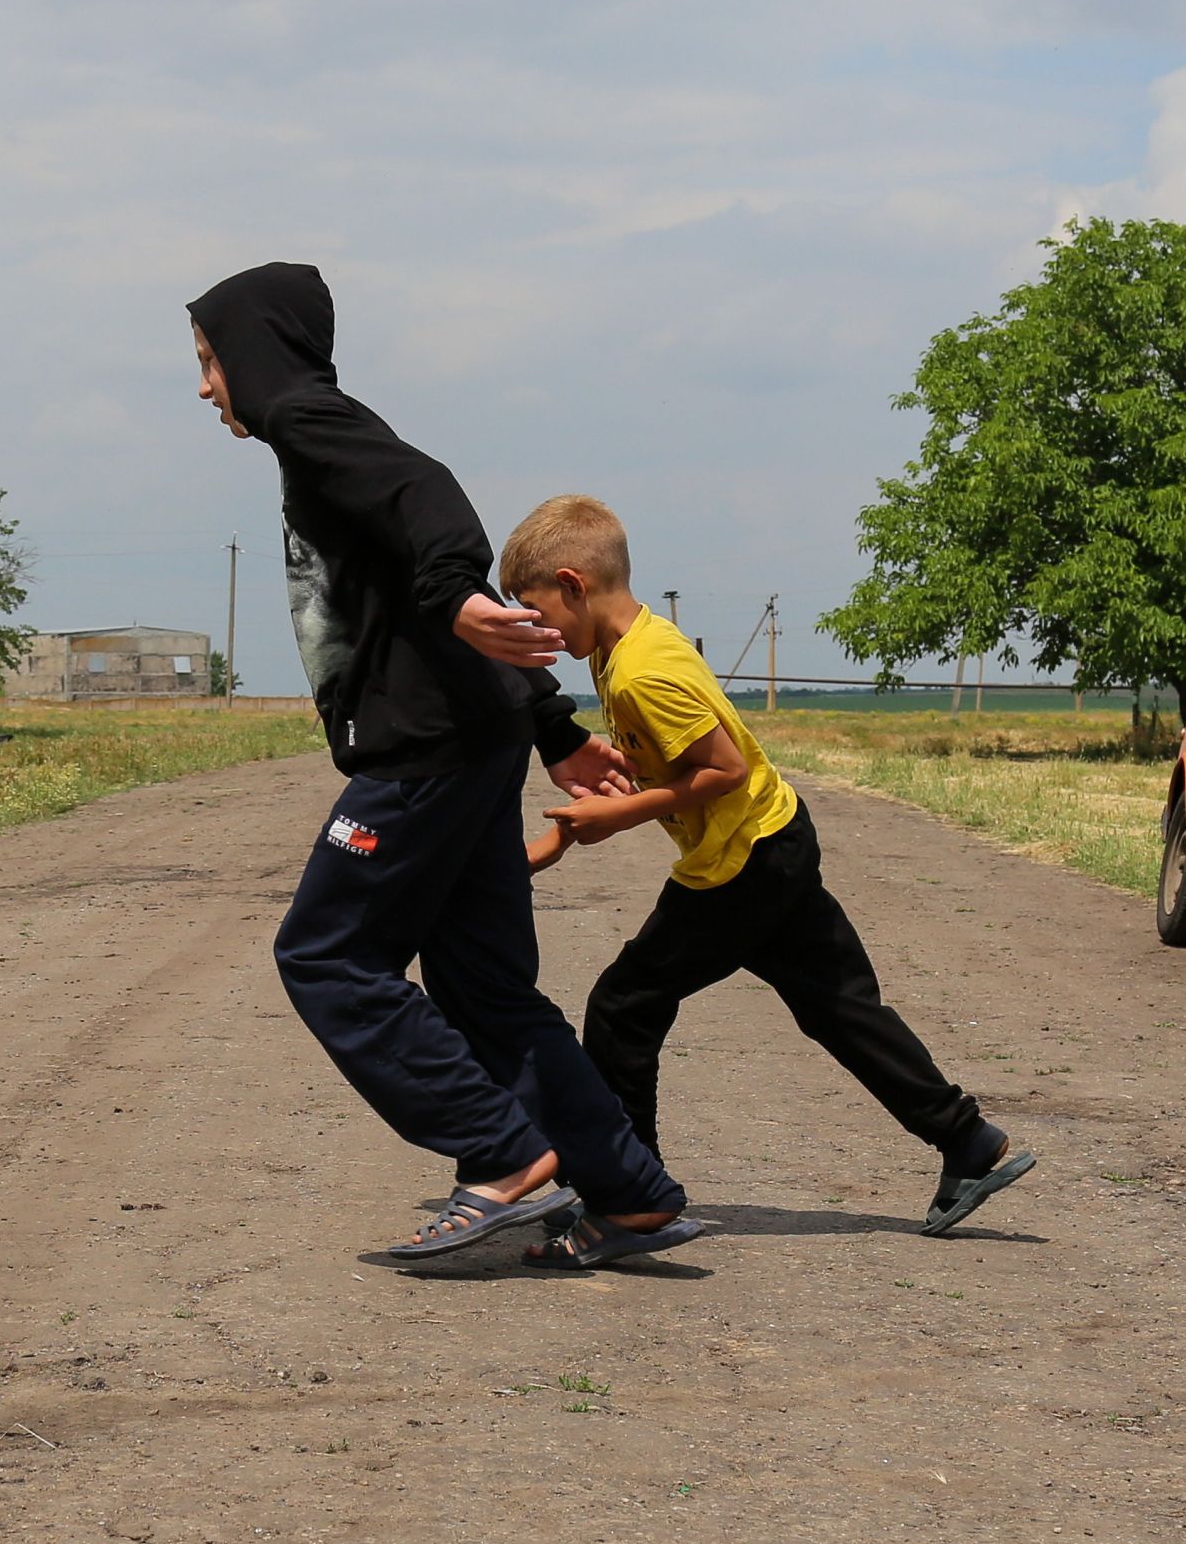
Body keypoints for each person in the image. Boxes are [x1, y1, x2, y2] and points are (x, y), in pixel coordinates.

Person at [185, 265, 707, 1269]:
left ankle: (505, 1158)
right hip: (472, 737)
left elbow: (424, 499)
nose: (206, 388)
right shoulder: (319, 434)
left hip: (422, 752)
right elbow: (416, 588)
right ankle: (628, 1190)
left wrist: (455, 586)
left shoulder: (305, 419)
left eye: (210, 361)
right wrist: (553, 729)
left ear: (252, 351)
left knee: (327, 954)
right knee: (485, 991)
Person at [500, 494, 1034, 1239]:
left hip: (740, 864)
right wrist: (632, 776)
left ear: (574, 583)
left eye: (536, 608)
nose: (538, 629)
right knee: (840, 1007)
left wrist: (619, 814)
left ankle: (630, 1193)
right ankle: (969, 1142)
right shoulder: (625, 646)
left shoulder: (638, 669)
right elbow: (694, 754)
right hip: (775, 836)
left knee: (624, 1007)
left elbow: (719, 767)